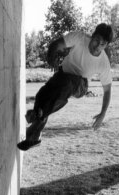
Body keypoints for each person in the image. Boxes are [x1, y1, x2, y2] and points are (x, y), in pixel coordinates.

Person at [17, 23, 114, 151]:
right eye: (96, 41)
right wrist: (51, 57)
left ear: (106, 45)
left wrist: (103, 113)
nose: (97, 47)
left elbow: (107, 90)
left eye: (102, 44)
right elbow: (56, 44)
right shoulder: (79, 38)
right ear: (92, 36)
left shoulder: (103, 62)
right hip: (62, 75)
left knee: (67, 84)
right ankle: (34, 137)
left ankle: (37, 116)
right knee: (43, 95)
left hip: (81, 85)